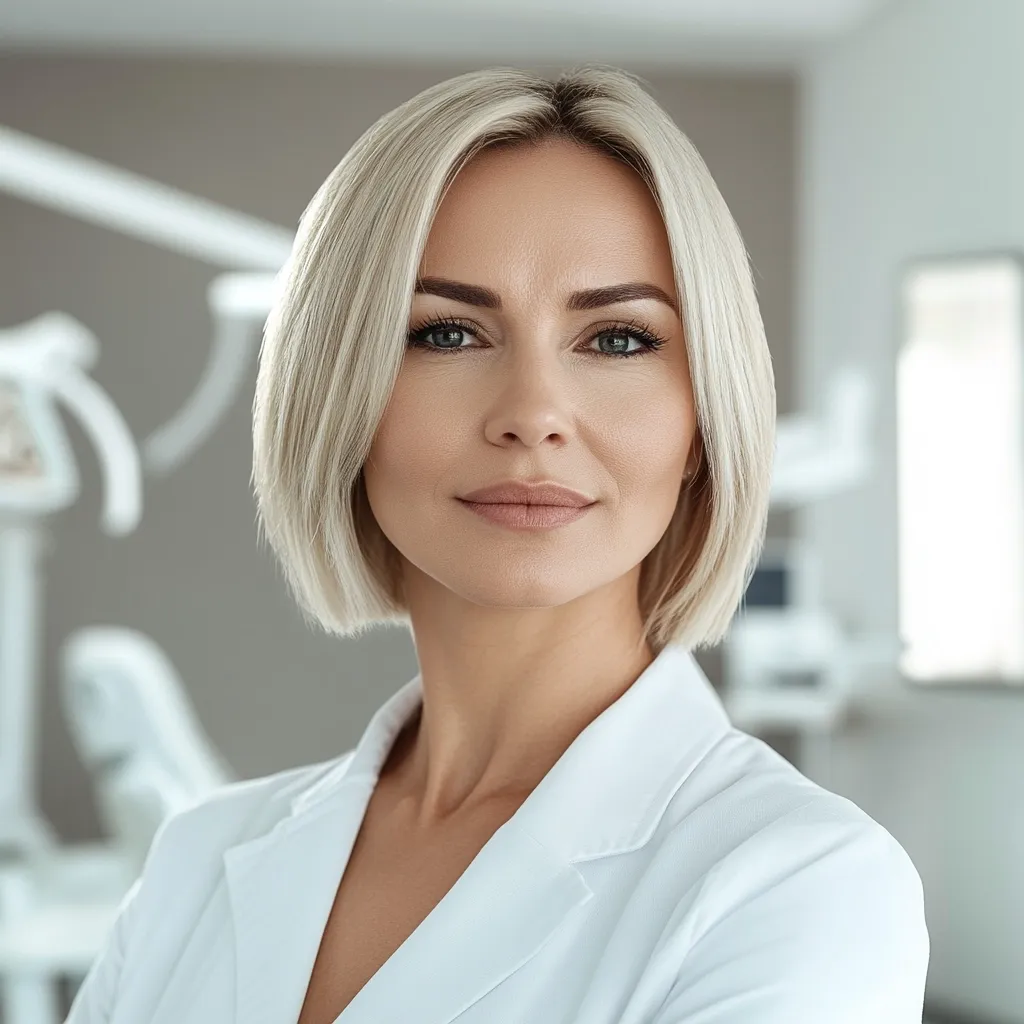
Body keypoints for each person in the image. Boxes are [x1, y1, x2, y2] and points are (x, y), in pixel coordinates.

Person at [65, 65, 929, 1024]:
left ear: (701, 427)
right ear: (341, 396)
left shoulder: (798, 886)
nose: (532, 416)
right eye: (446, 334)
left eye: (617, 340)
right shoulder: (195, 860)